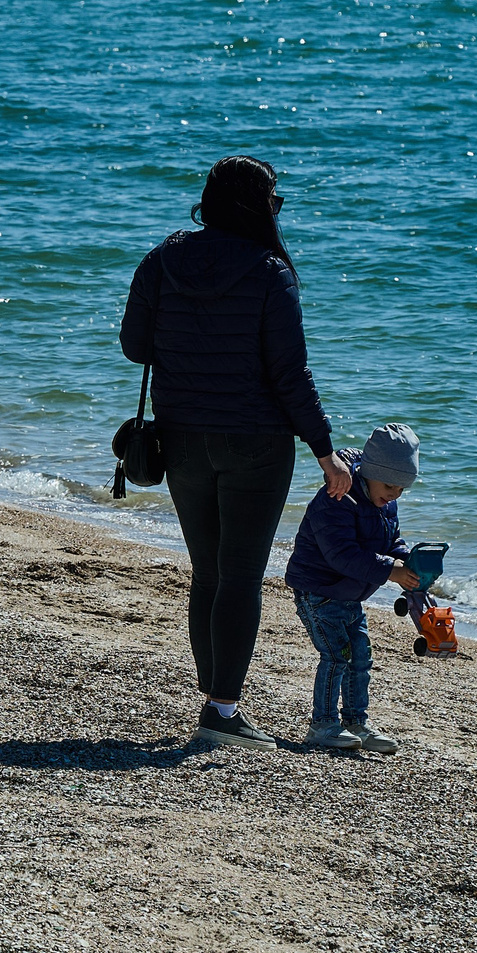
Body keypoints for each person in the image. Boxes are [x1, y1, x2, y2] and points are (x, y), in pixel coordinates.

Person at [119, 156, 353, 751]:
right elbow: (290, 376)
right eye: (275, 199)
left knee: (209, 573)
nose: (277, 209)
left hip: (182, 438)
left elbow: (134, 346)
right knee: (241, 577)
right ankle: (222, 712)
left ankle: (215, 699)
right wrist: (325, 451)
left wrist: (189, 339)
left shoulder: (162, 259)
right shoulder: (270, 271)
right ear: (257, 205)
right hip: (256, 444)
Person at [285, 424, 426, 754]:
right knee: (337, 656)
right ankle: (322, 724)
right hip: (319, 591)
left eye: (402, 489)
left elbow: (391, 540)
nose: (395, 494)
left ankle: (355, 722)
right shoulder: (337, 498)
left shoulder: (384, 502)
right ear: (369, 473)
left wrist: (407, 560)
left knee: (360, 657)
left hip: (350, 595)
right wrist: (390, 570)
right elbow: (342, 555)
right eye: (389, 485)